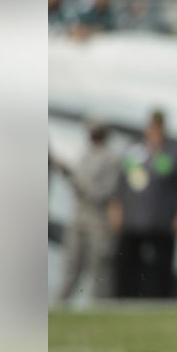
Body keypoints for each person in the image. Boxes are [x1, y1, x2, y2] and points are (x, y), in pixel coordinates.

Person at [109, 109, 177, 298]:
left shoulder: (174, 154)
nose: (154, 131)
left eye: (158, 127)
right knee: (126, 263)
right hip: (133, 220)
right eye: (152, 127)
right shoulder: (133, 152)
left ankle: (162, 300)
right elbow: (120, 183)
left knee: (163, 265)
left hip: (162, 220)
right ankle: (124, 300)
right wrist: (115, 208)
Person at [50, 119, 119, 303]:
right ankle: (61, 303)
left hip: (98, 217)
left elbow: (105, 190)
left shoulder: (111, 157)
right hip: (79, 215)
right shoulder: (85, 155)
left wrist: (81, 185)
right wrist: (66, 172)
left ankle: (99, 305)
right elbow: (77, 180)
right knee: (72, 261)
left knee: (99, 264)